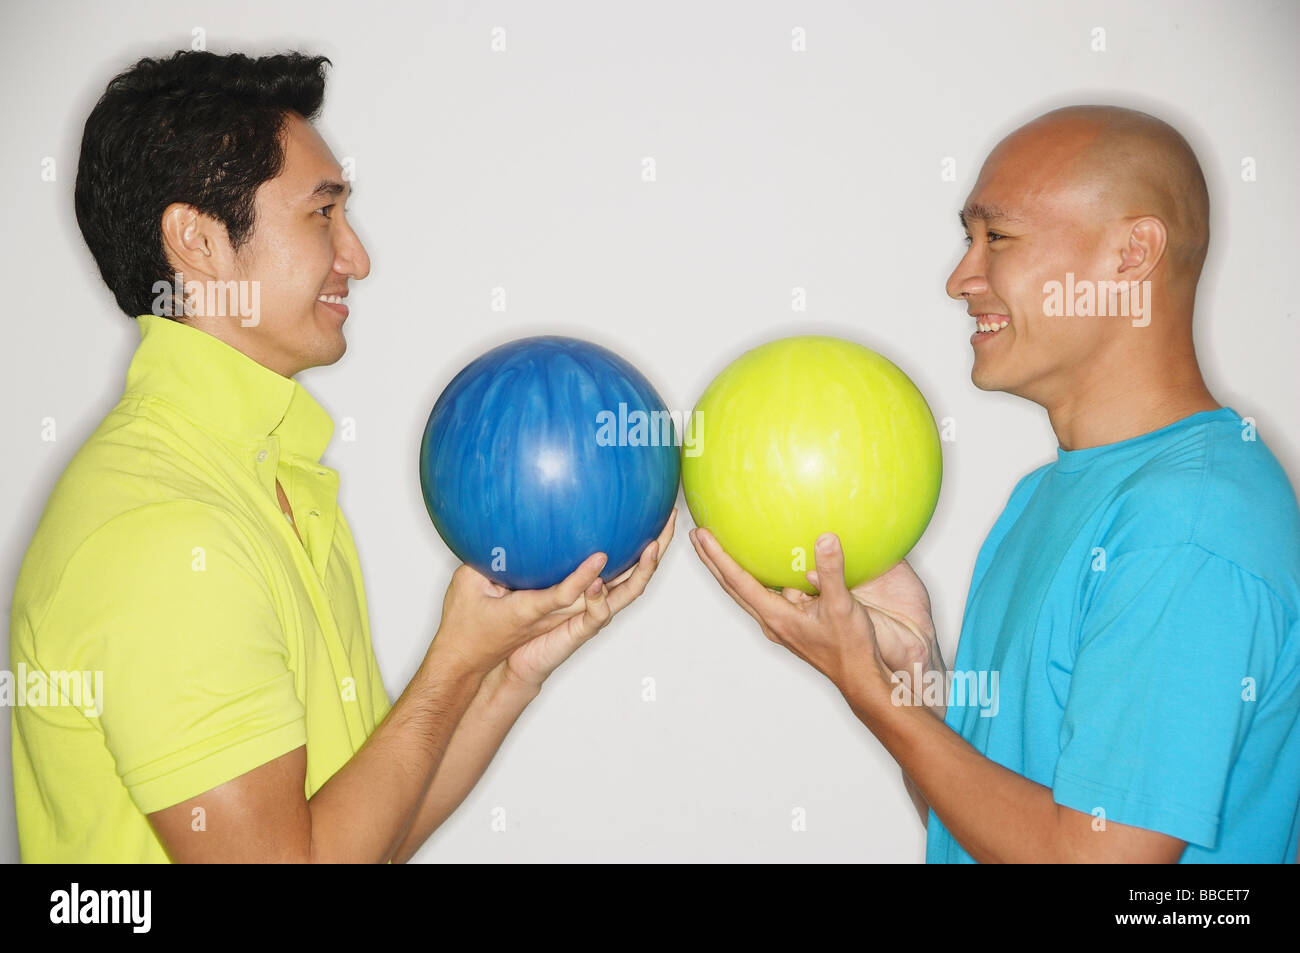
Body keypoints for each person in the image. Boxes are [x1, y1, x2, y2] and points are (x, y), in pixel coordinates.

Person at [9, 49, 675, 863]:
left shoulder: (276, 478)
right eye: (321, 215)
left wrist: (503, 670)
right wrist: (446, 671)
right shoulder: (162, 531)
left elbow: (361, 843)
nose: (357, 257)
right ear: (197, 241)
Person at [690, 104, 1300, 862]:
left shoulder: (1191, 522)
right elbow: (988, 832)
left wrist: (868, 694)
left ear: (1132, 254)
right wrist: (908, 673)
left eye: (997, 237)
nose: (959, 278)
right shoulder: (1042, 499)